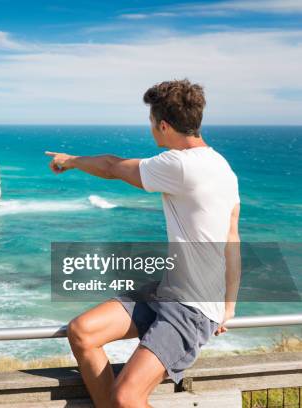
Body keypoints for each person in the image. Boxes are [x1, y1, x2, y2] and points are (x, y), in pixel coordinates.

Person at [45, 79, 241, 408]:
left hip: (190, 309)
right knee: (82, 332)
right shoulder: (224, 169)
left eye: (152, 123)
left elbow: (111, 166)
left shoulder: (180, 164)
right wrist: (230, 305)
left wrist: (70, 160)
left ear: (163, 125)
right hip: (169, 291)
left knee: (128, 397)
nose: (151, 130)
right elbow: (232, 239)